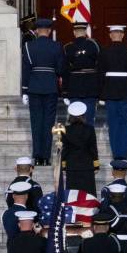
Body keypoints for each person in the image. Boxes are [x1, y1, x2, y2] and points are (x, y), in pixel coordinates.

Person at [21, 18, 65, 166]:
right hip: (51, 87)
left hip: (34, 87)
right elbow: (60, 69)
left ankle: (37, 156)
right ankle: (46, 156)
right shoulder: (57, 46)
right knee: (48, 123)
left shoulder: (28, 46)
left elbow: (26, 70)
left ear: (37, 30)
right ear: (49, 31)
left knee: (36, 122)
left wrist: (24, 90)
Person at [97, 25, 127, 159]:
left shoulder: (103, 51)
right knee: (124, 124)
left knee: (113, 124)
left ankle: (116, 154)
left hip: (110, 90)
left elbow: (100, 73)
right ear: (122, 35)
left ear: (110, 35)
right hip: (125, 90)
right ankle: (123, 154)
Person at [63, 22, 100, 126]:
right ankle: (89, 141)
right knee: (89, 119)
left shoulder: (68, 47)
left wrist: (65, 91)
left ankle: (76, 141)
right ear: (85, 32)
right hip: (91, 87)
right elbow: (99, 66)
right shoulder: (94, 45)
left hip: (74, 87)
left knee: (75, 119)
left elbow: (65, 70)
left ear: (74, 32)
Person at [61, 101, 99, 196]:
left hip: (72, 166)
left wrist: (64, 166)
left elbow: (65, 150)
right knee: (88, 195)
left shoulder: (65, 130)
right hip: (87, 166)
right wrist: (96, 165)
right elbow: (93, 149)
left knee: (73, 195)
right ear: (83, 115)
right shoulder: (90, 129)